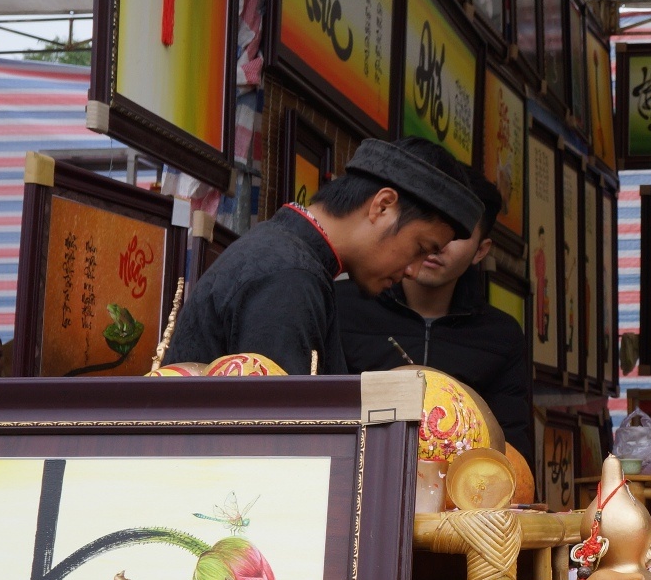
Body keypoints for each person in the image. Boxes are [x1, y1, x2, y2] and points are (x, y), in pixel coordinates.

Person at [165, 138, 478, 374]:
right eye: (421, 248)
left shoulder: (286, 255)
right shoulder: (288, 277)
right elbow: (276, 438)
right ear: (382, 206)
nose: (413, 271)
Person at [336, 174, 531, 448]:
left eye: (456, 234)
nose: (438, 244)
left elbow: (511, 451)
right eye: (431, 224)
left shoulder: (501, 336)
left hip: (457, 485)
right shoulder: (342, 305)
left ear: (480, 251)